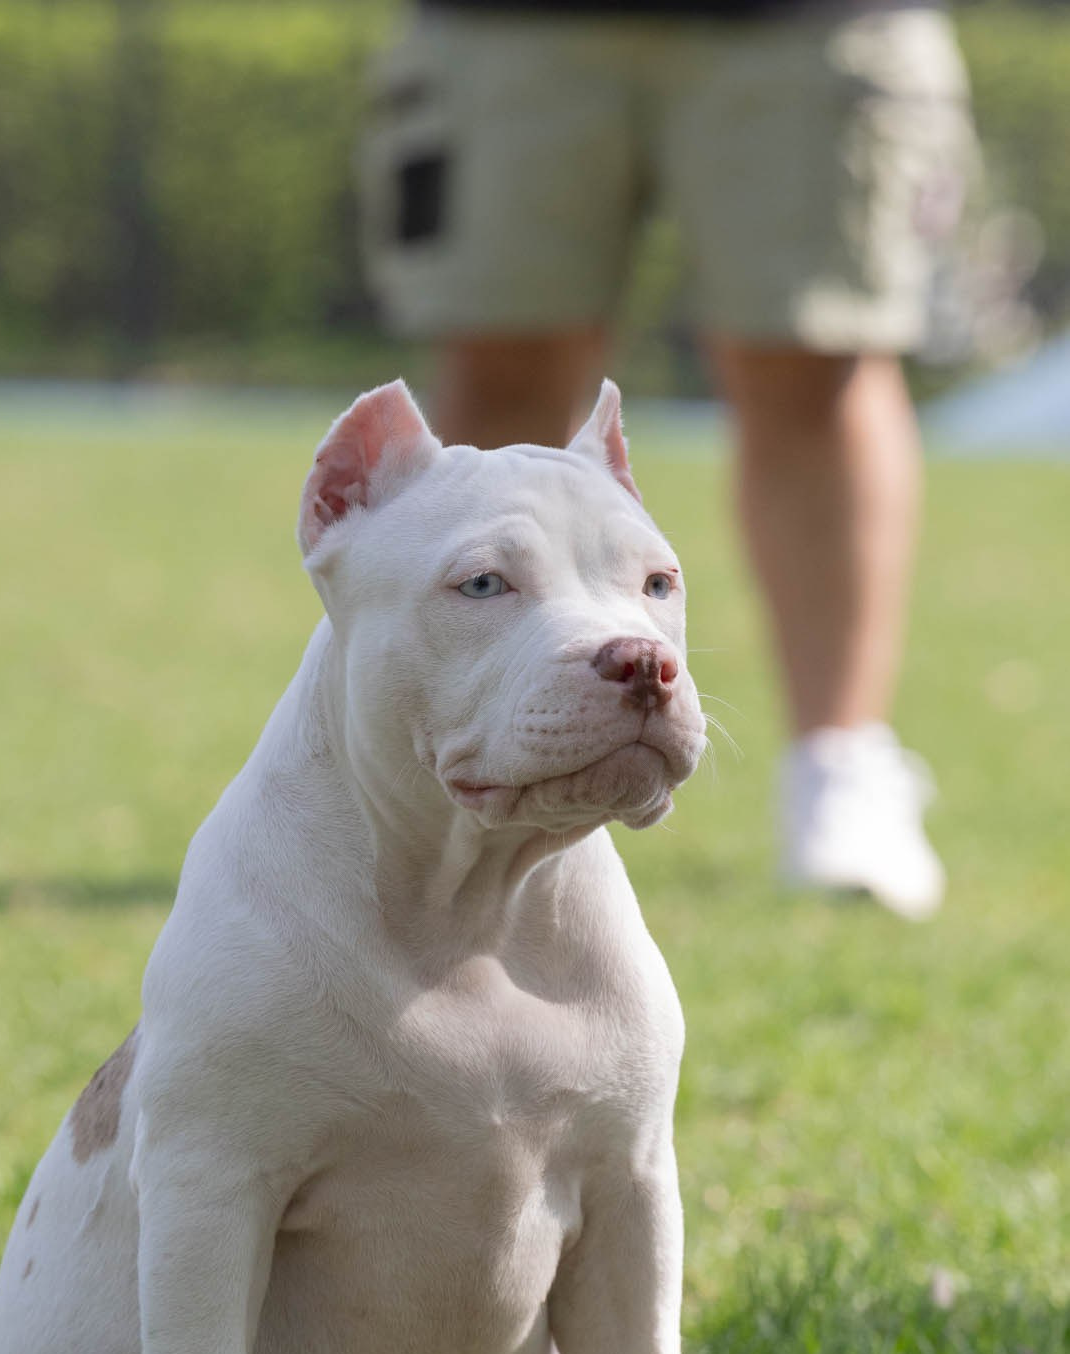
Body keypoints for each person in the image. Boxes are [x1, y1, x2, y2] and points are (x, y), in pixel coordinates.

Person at [359, 0, 978, 918]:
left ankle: (841, 767)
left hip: (809, 23)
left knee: (816, 361)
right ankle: (481, 752)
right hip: (505, 27)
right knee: (501, 365)